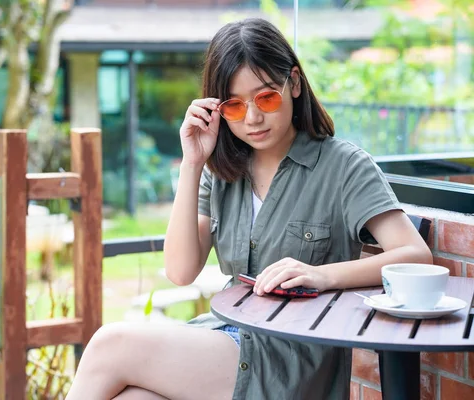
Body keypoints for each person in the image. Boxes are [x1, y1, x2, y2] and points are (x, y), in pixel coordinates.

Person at [65, 18, 432, 400]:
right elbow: (179, 271)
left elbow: (416, 257)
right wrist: (192, 163)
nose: (253, 118)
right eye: (235, 107)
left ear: (293, 82)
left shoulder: (343, 165)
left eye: (267, 98)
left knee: (111, 344)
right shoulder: (222, 169)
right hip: (224, 334)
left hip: (291, 358)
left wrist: (321, 275)